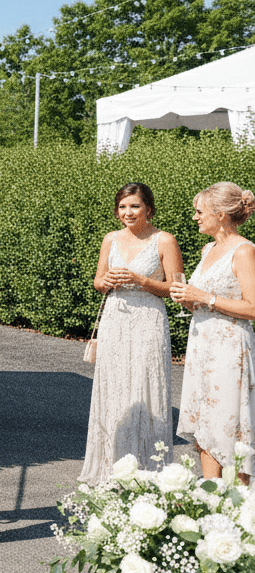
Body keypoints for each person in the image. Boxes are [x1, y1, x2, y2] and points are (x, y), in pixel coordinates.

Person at [78, 183, 183, 485]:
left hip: (148, 321)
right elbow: (98, 282)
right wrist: (106, 281)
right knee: (114, 388)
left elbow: (177, 289)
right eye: (123, 207)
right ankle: (109, 466)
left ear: (148, 208)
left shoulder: (165, 240)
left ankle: (149, 471)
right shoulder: (110, 239)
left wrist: (141, 280)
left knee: (144, 388)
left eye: (134, 206)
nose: (128, 212)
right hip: (115, 320)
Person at [170, 182, 255, 482]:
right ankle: (210, 498)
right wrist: (190, 300)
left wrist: (205, 298)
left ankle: (243, 506)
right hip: (201, 343)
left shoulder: (244, 251)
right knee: (205, 420)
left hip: (229, 347)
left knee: (229, 421)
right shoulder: (208, 249)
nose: (195, 217)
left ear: (220, 214)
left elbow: (253, 307)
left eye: (199, 211)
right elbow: (204, 298)